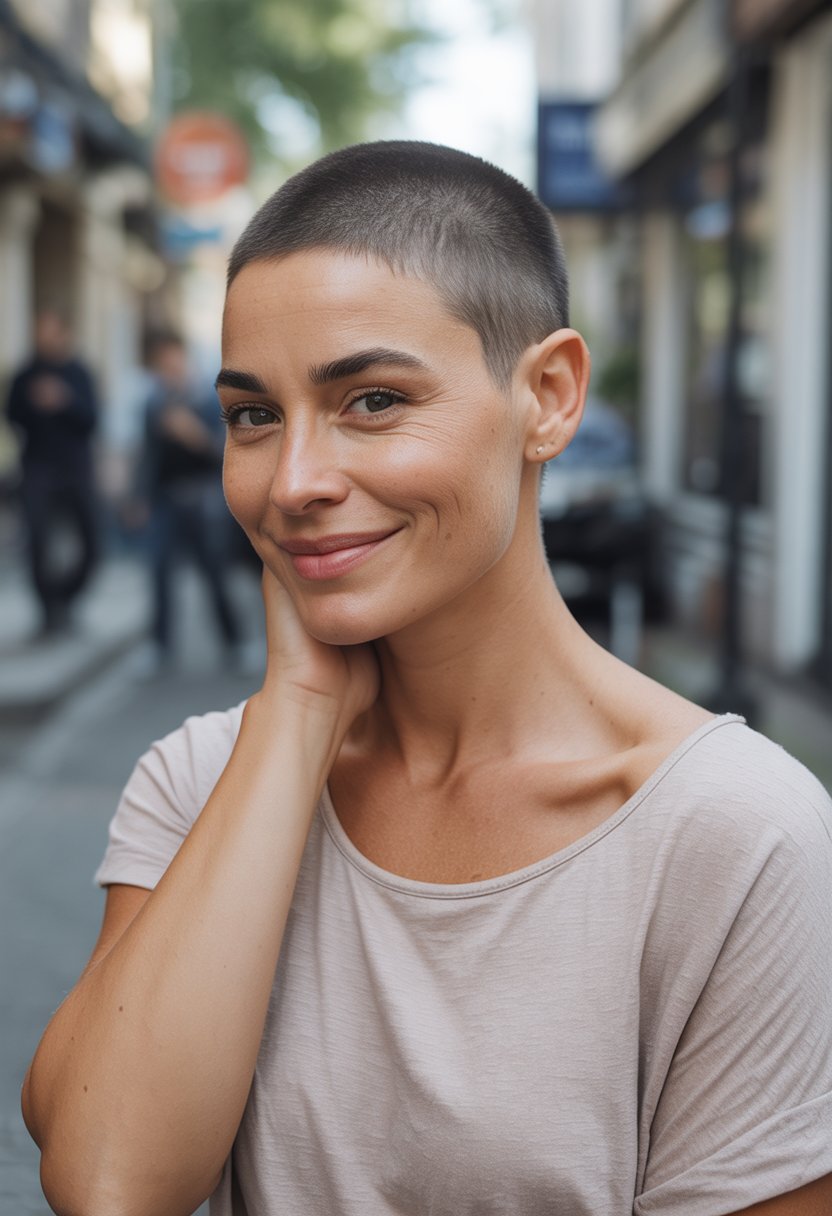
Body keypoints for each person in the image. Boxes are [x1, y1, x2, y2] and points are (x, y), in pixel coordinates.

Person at [21, 143, 832, 1215]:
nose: (296, 482)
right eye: (253, 415)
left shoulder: (735, 837)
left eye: (371, 400)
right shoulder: (202, 780)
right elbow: (109, 1181)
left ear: (547, 395)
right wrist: (299, 711)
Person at [135, 330, 242, 670]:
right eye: (162, 362)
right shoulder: (154, 404)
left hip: (203, 496)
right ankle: (160, 648)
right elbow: (148, 455)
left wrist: (191, 433)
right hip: (166, 499)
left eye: (173, 359)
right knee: (159, 573)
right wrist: (139, 497)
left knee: (213, 573)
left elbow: (224, 451)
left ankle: (235, 642)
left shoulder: (209, 400)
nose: (169, 367)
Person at [6, 308, 99, 635]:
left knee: (92, 541)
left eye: (49, 328)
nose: (43, 335)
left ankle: (66, 596)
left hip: (76, 468)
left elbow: (92, 420)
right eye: (38, 329)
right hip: (37, 468)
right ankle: (48, 611)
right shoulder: (25, 373)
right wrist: (35, 404)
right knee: (37, 543)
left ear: (63, 333)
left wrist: (64, 401)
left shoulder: (79, 372)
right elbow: (12, 416)